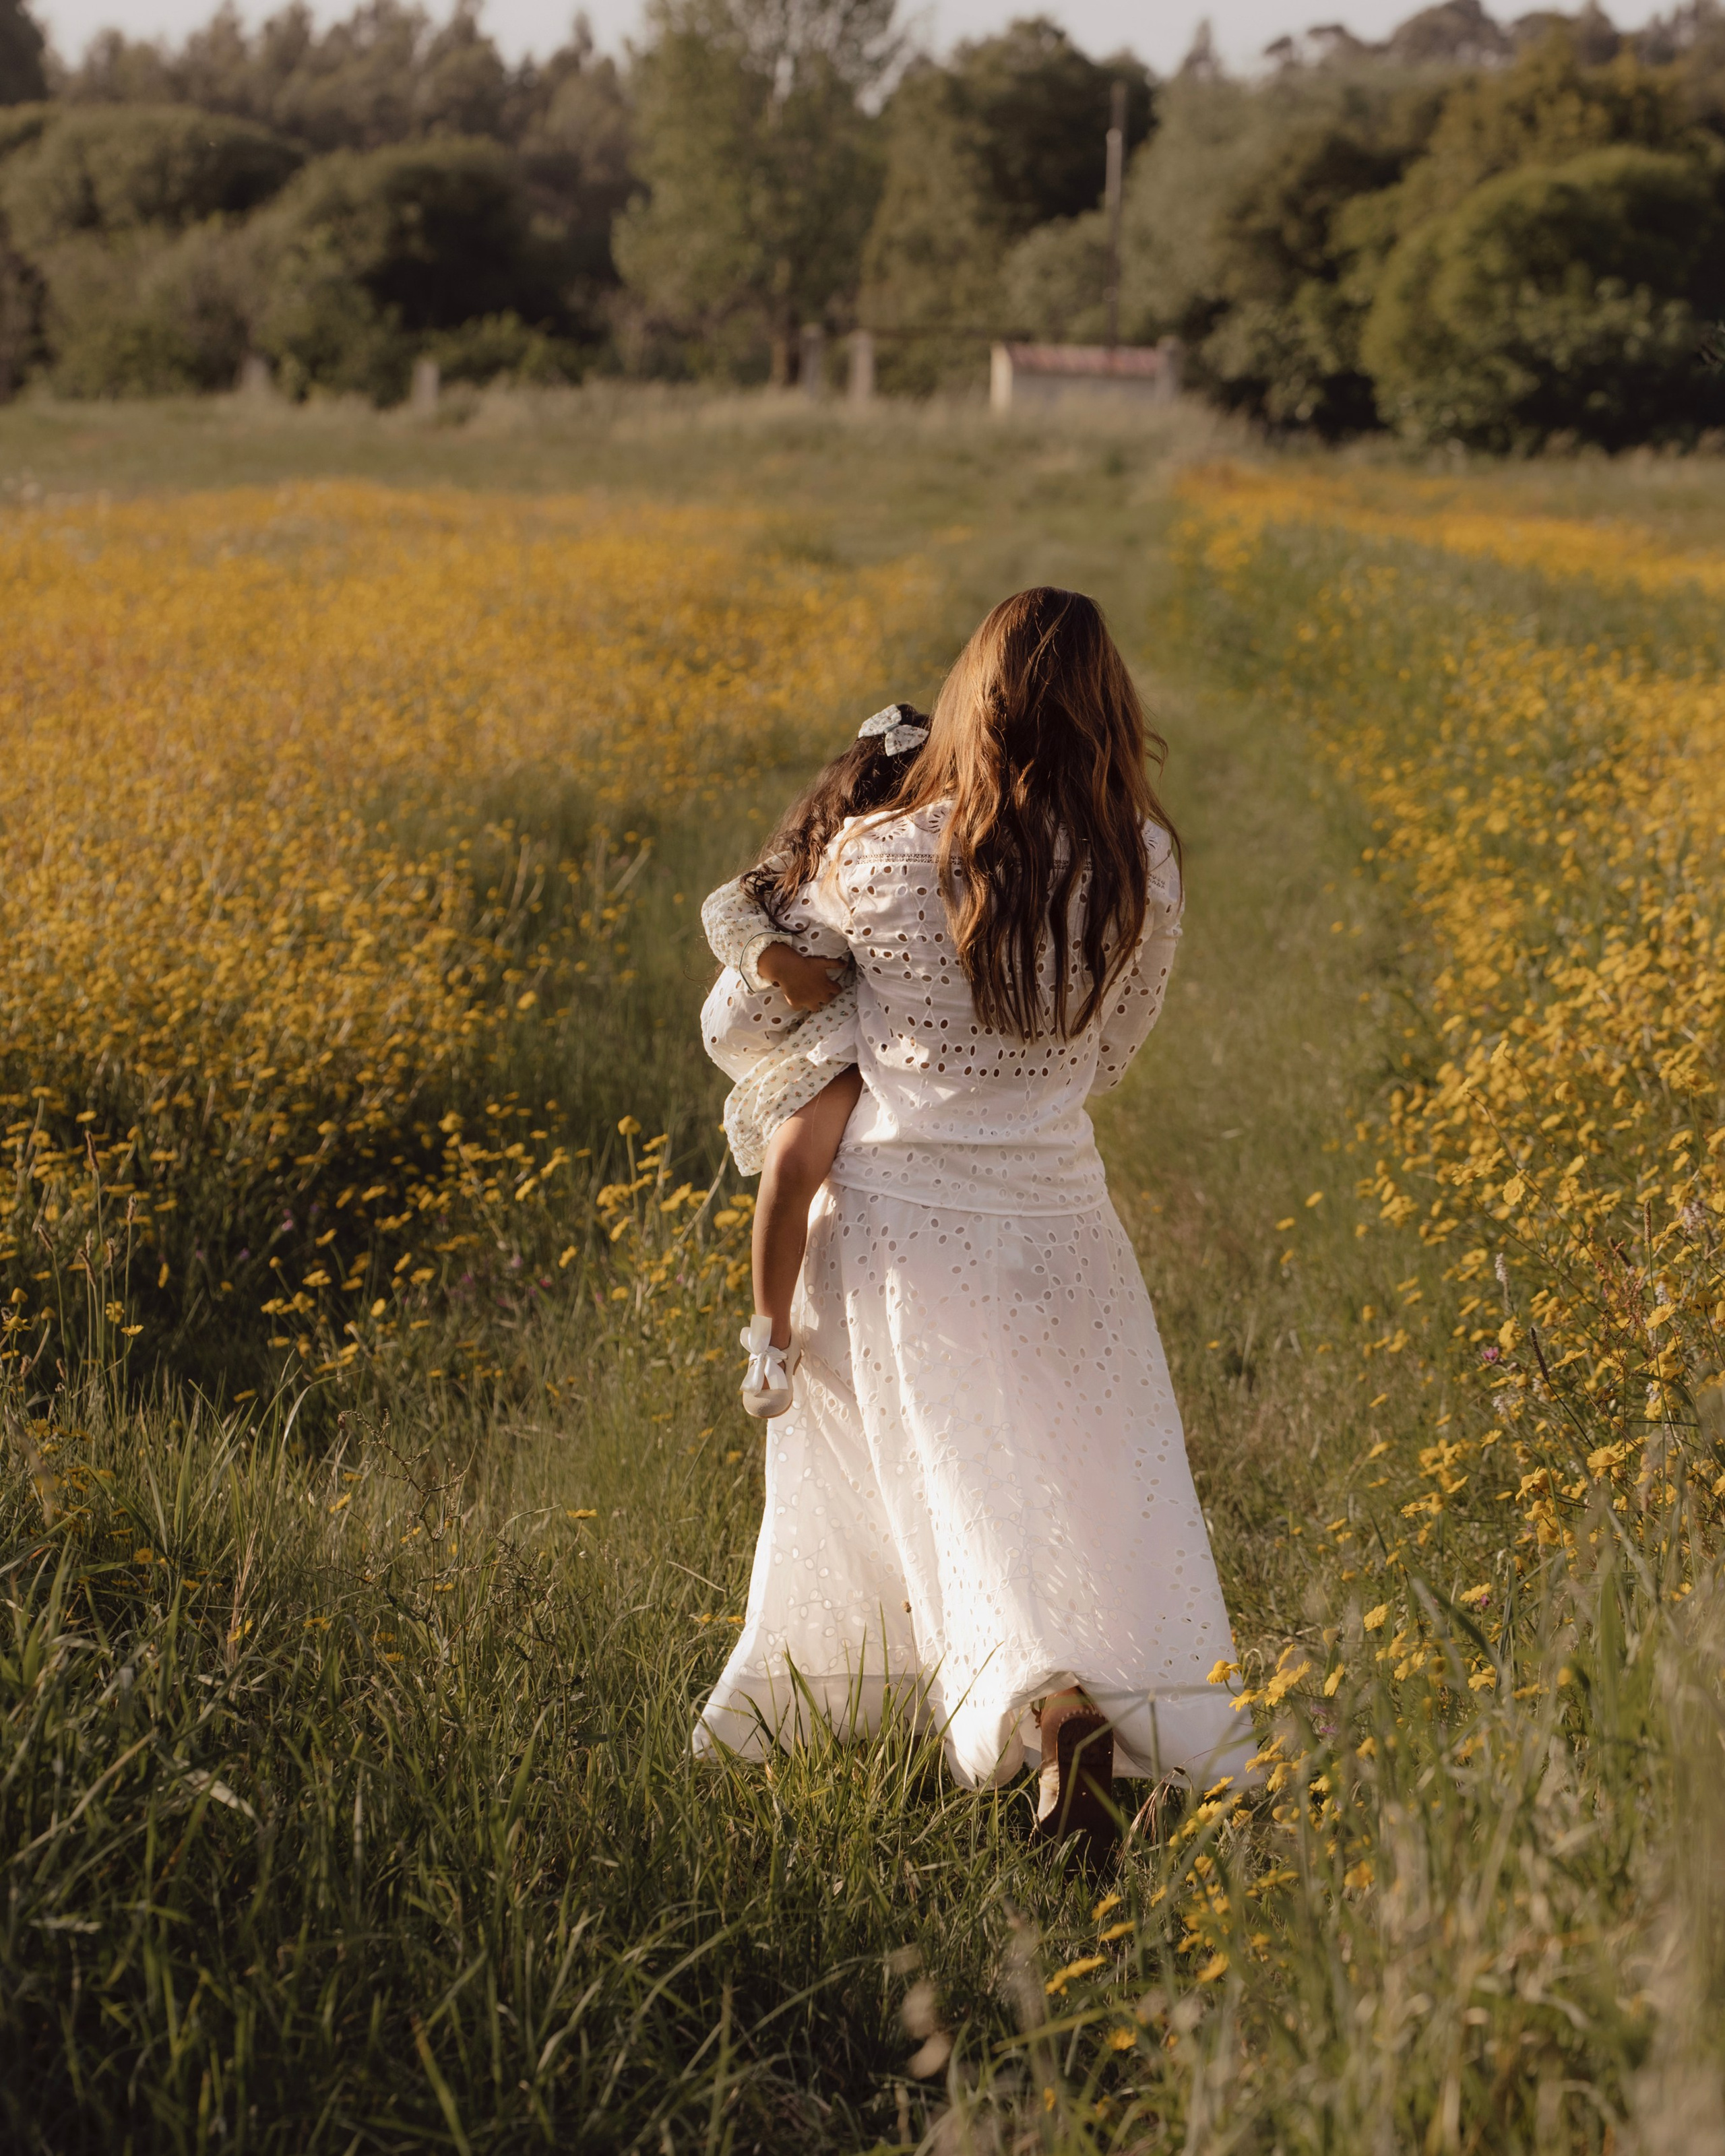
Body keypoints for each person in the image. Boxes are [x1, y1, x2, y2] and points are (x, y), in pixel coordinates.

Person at [693, 587, 1255, 1856]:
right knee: (1068, 1481)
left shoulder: (879, 854)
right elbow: (1110, 1056)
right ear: (1108, 706)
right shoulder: (1143, 865)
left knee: (941, 1484)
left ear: (973, 698)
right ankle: (1071, 1701)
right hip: (1060, 1215)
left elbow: (754, 993)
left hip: (895, 1216)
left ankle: (1039, 1707)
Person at [699, 705, 926, 1417]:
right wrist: (778, 964)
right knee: (792, 1164)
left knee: (794, 1160)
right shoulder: (797, 863)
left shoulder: (909, 867)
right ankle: (768, 1336)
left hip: (834, 1044)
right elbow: (723, 910)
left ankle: (768, 1335)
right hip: (787, 1028)